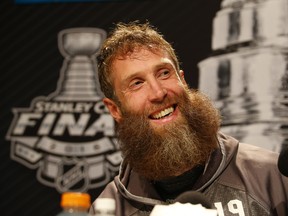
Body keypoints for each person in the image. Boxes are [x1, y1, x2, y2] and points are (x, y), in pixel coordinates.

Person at [90, 21, 288, 216]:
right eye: (137, 83)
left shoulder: (269, 178)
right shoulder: (109, 209)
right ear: (115, 109)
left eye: (164, 73)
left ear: (182, 80)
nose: (158, 93)